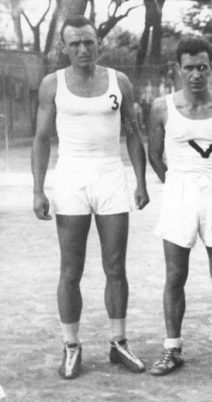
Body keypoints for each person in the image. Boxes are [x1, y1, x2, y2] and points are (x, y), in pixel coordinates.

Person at [31, 16, 149, 379]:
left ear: (99, 43)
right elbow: (40, 139)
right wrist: (38, 189)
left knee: (116, 266)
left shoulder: (119, 81)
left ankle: (118, 341)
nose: (83, 49)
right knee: (71, 269)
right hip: (71, 178)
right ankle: (71, 344)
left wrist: (140, 181)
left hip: (110, 175)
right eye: (75, 44)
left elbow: (133, 132)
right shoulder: (53, 84)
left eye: (89, 42)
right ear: (64, 48)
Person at [147, 38, 212, 375]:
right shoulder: (162, 107)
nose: (196, 74)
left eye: (202, 67)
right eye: (189, 67)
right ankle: (172, 348)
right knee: (175, 275)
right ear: (178, 68)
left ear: (211, 68)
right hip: (180, 192)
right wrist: (174, 183)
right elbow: (154, 155)